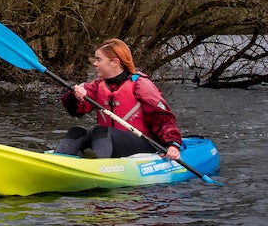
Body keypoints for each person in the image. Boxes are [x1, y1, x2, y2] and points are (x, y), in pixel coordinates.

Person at [55, 37, 184, 161]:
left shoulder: (141, 85)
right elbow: (76, 110)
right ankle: (57, 159)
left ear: (115, 62)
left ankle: (96, 164)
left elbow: (163, 118)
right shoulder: (98, 85)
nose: (94, 63)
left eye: (98, 60)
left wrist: (172, 143)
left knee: (102, 131)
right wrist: (74, 96)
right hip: (106, 142)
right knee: (77, 131)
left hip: (143, 144)